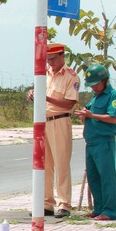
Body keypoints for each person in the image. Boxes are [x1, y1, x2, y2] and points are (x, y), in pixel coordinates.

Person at [28, 42, 79, 218]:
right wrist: (34, 95)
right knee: (45, 165)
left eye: (53, 59)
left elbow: (69, 103)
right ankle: (46, 204)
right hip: (44, 122)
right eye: (48, 59)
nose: (50, 63)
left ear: (62, 57)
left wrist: (46, 96)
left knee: (61, 163)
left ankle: (64, 204)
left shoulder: (70, 77)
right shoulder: (45, 75)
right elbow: (42, 96)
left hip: (60, 121)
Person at [74, 63, 116, 221]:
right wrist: (84, 116)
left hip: (104, 142)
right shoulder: (95, 98)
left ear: (104, 80)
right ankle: (99, 208)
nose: (93, 88)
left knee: (106, 176)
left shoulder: (114, 96)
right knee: (93, 177)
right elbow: (90, 117)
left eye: (95, 84)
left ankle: (109, 211)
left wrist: (92, 116)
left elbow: (113, 118)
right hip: (91, 142)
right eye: (91, 85)